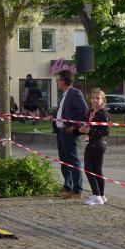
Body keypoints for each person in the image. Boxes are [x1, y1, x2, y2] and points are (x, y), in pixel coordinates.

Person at [54, 70, 88, 198]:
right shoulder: (64, 95)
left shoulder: (75, 93)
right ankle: (68, 186)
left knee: (73, 160)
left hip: (69, 132)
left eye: (58, 80)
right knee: (64, 161)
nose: (57, 82)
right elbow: (63, 112)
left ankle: (78, 189)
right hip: (61, 131)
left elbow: (84, 112)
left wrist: (74, 126)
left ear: (63, 81)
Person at [79, 89, 110, 205]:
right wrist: (82, 127)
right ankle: (101, 195)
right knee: (96, 170)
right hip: (91, 142)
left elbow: (105, 131)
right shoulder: (90, 112)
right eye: (93, 98)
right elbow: (83, 121)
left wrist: (89, 130)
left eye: (98, 98)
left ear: (103, 100)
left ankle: (96, 195)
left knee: (89, 169)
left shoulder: (103, 113)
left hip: (98, 143)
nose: (95, 100)